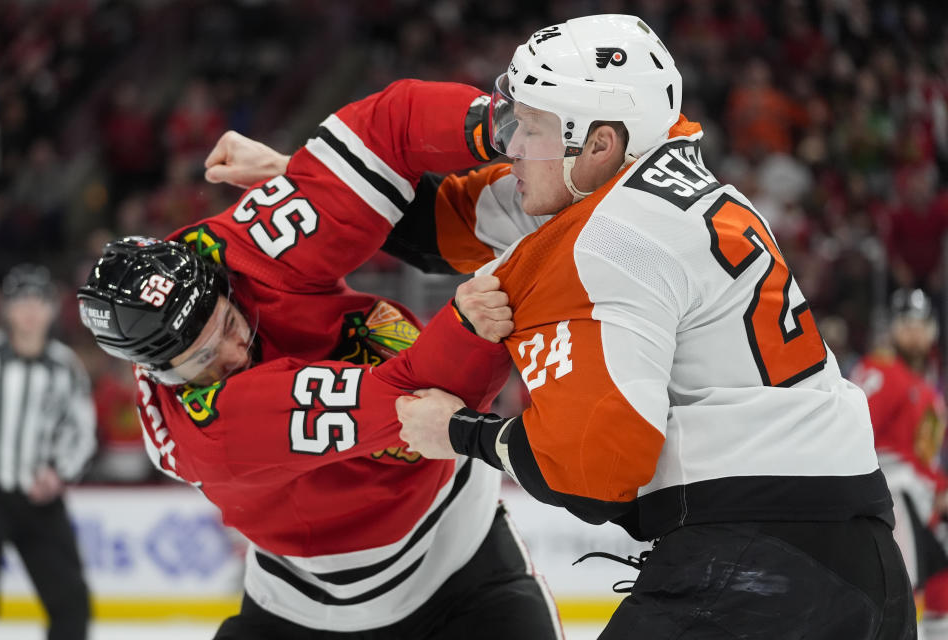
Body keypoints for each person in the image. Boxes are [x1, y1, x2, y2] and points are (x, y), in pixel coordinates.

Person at [387, 14, 915, 638]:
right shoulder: (667, 189)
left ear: (601, 142)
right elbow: (439, 226)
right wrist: (304, 183)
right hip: (863, 564)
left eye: (531, 129)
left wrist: (459, 432)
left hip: (757, 569)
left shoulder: (612, 236)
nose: (510, 146)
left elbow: (595, 473)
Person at [77, 79, 562, 639]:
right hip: (303, 615)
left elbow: (388, 128)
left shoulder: (240, 251)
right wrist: (471, 327)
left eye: (230, 323)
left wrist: (502, 123)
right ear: (164, 374)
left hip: (463, 557)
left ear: (219, 282)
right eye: (202, 358)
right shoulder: (212, 429)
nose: (234, 350)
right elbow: (418, 408)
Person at [0, 264, 96, 640]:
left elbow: (82, 431)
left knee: (71, 601)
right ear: (6, 309)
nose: (31, 310)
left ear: (52, 309)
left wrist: (60, 473)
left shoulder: (64, 366)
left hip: (40, 498)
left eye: (39, 301)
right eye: (22, 301)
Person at [852, 288, 948, 639]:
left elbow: (923, 456)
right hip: (895, 505)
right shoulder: (882, 371)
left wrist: (938, 489)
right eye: (906, 323)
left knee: (940, 598)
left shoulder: (928, 385)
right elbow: (854, 432)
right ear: (891, 328)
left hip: (924, 509)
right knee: (904, 600)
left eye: (921, 324)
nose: (914, 332)